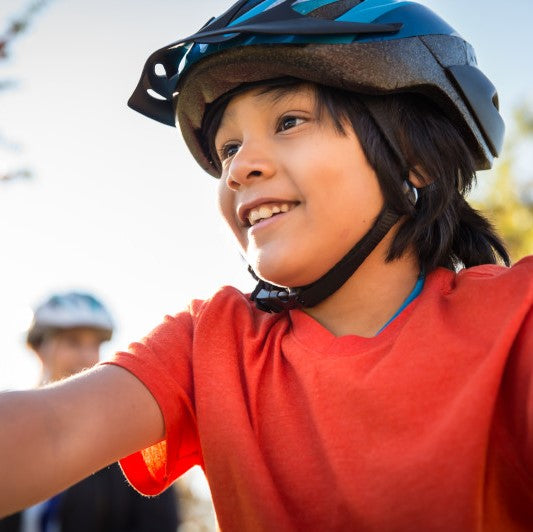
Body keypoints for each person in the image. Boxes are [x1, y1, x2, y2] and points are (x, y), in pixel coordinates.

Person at [0, 1, 532, 530]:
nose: (238, 169)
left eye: (289, 121)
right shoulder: (209, 346)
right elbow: (55, 430)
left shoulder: (517, 319)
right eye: (228, 147)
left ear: (414, 155)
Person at [0, 292, 179, 532]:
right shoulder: (10, 433)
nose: (87, 356)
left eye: (95, 345)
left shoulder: (129, 443)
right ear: (39, 347)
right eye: (73, 342)